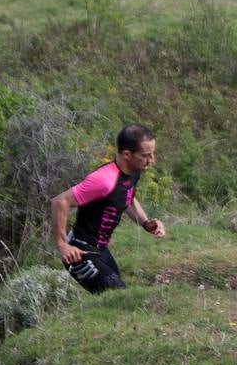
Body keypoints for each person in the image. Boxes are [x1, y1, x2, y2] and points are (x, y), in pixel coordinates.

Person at [51, 123, 166, 293]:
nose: (152, 160)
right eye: (146, 155)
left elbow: (128, 198)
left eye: (152, 154)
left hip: (101, 250)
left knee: (118, 297)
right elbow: (60, 202)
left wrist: (146, 223)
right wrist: (62, 245)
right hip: (79, 252)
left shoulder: (133, 171)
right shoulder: (104, 180)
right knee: (120, 299)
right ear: (127, 154)